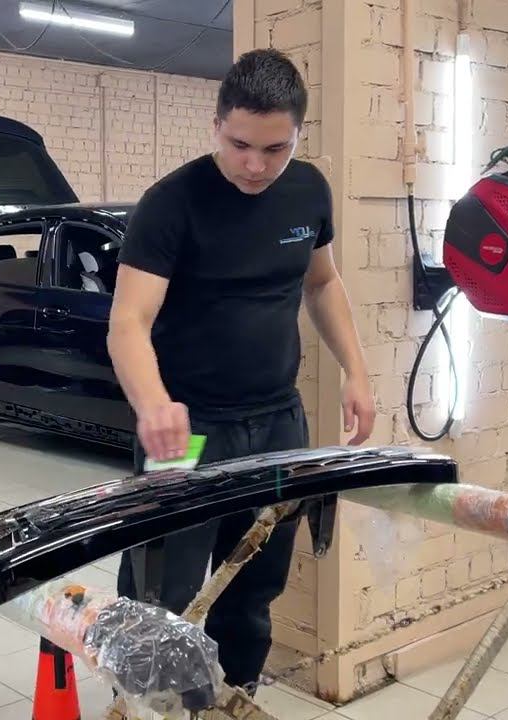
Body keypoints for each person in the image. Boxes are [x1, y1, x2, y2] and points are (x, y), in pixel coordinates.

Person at [106, 48, 376, 691]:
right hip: (187, 428)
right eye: (240, 145)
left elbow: (322, 282)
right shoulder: (170, 203)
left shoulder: (308, 190)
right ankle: (141, 701)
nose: (255, 166)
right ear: (217, 125)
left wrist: (356, 371)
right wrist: (154, 405)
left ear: (298, 135)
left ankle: (236, 695)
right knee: (162, 587)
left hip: (278, 421)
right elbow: (128, 323)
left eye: (275, 149)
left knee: (254, 581)